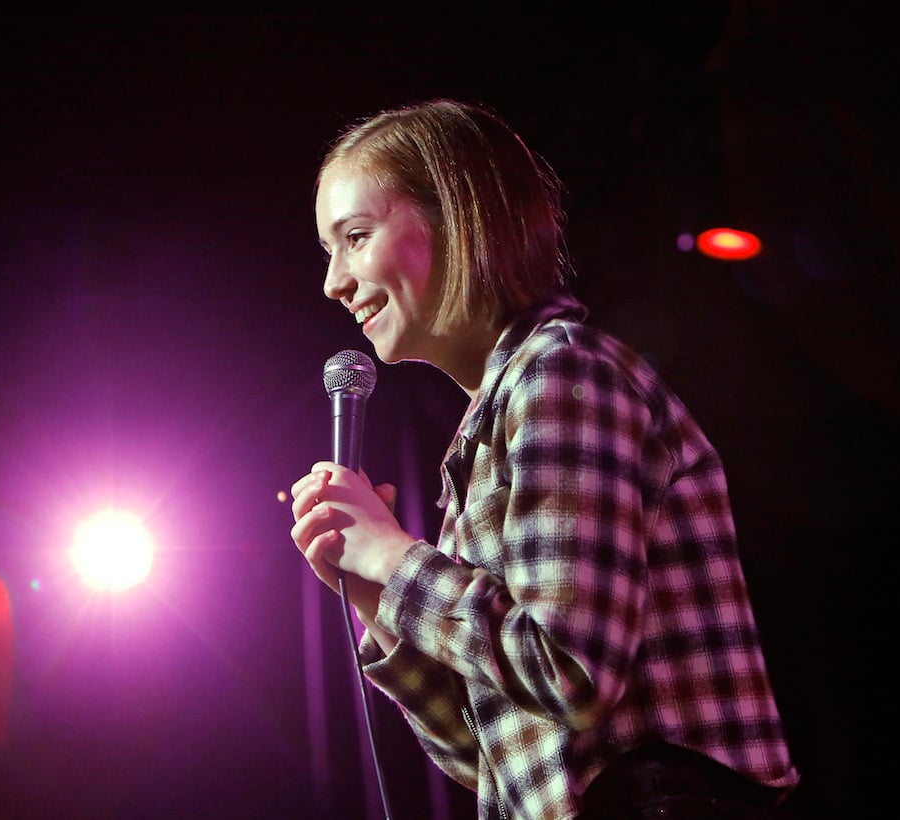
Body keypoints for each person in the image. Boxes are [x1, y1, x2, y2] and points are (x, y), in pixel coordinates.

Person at [288, 98, 800, 819]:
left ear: (454, 217)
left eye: (356, 236)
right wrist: (379, 600)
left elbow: (571, 672)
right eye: (329, 250)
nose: (332, 282)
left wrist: (395, 557)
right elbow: (488, 755)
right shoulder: (490, 430)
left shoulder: (561, 374)